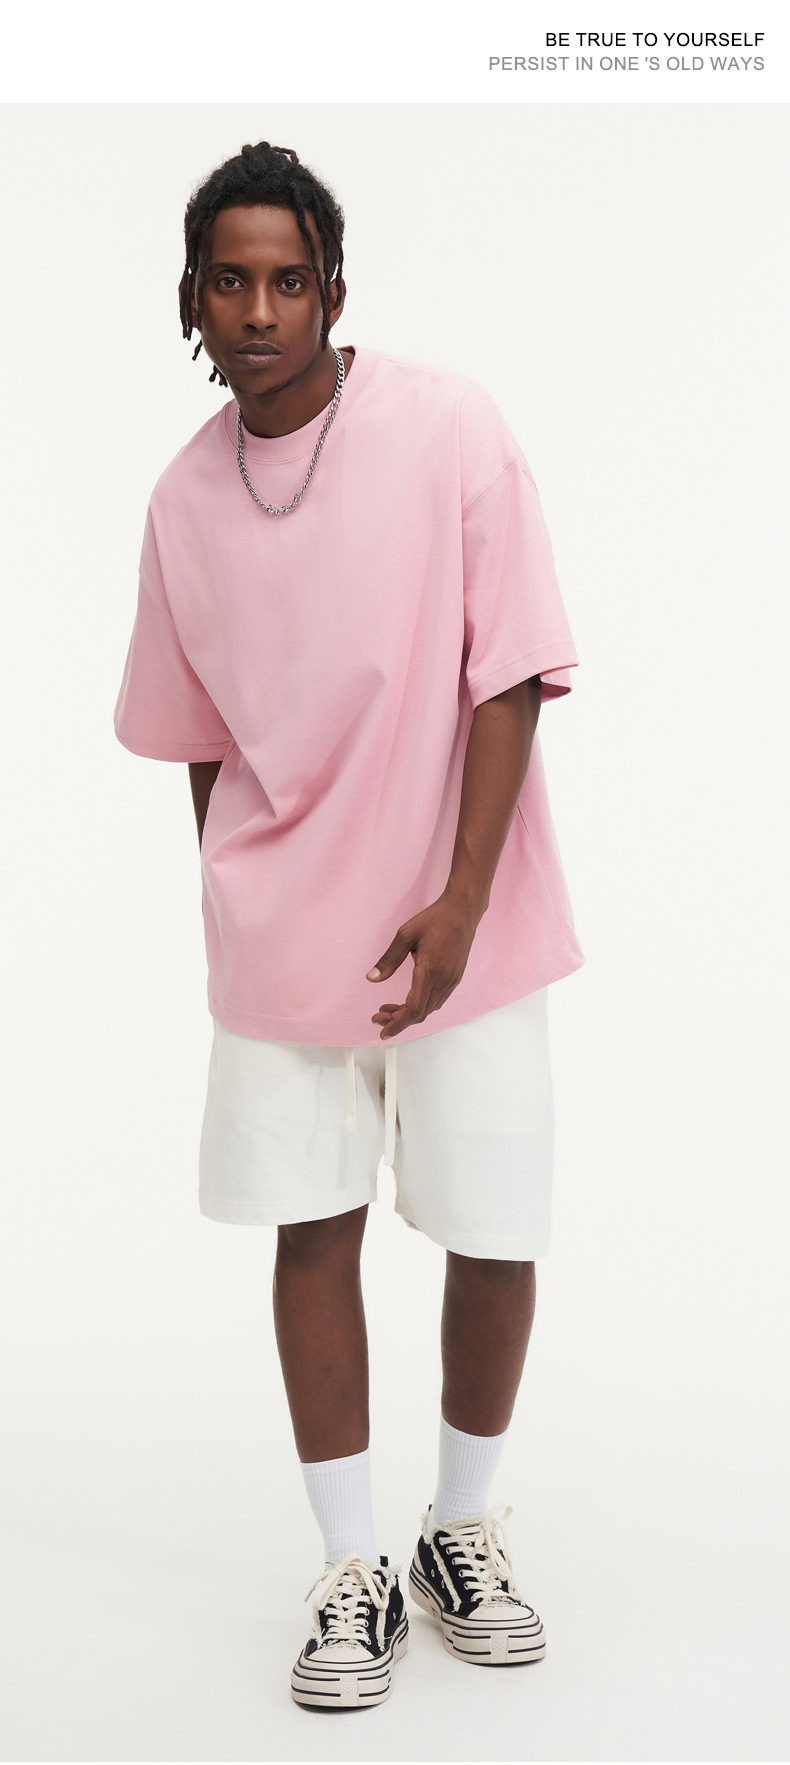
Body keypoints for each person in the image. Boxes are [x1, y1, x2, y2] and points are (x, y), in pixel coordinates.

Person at [113, 138, 584, 1711]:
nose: (259, 309)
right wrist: (238, 903)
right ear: (192, 299)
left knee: (493, 1228)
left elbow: (509, 671)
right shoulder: (182, 502)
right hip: (285, 951)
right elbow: (197, 739)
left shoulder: (447, 428)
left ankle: (462, 1528)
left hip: (468, 925)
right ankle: (349, 1563)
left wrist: (460, 899)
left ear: (331, 288)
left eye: (287, 279)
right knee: (310, 1232)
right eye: (228, 281)